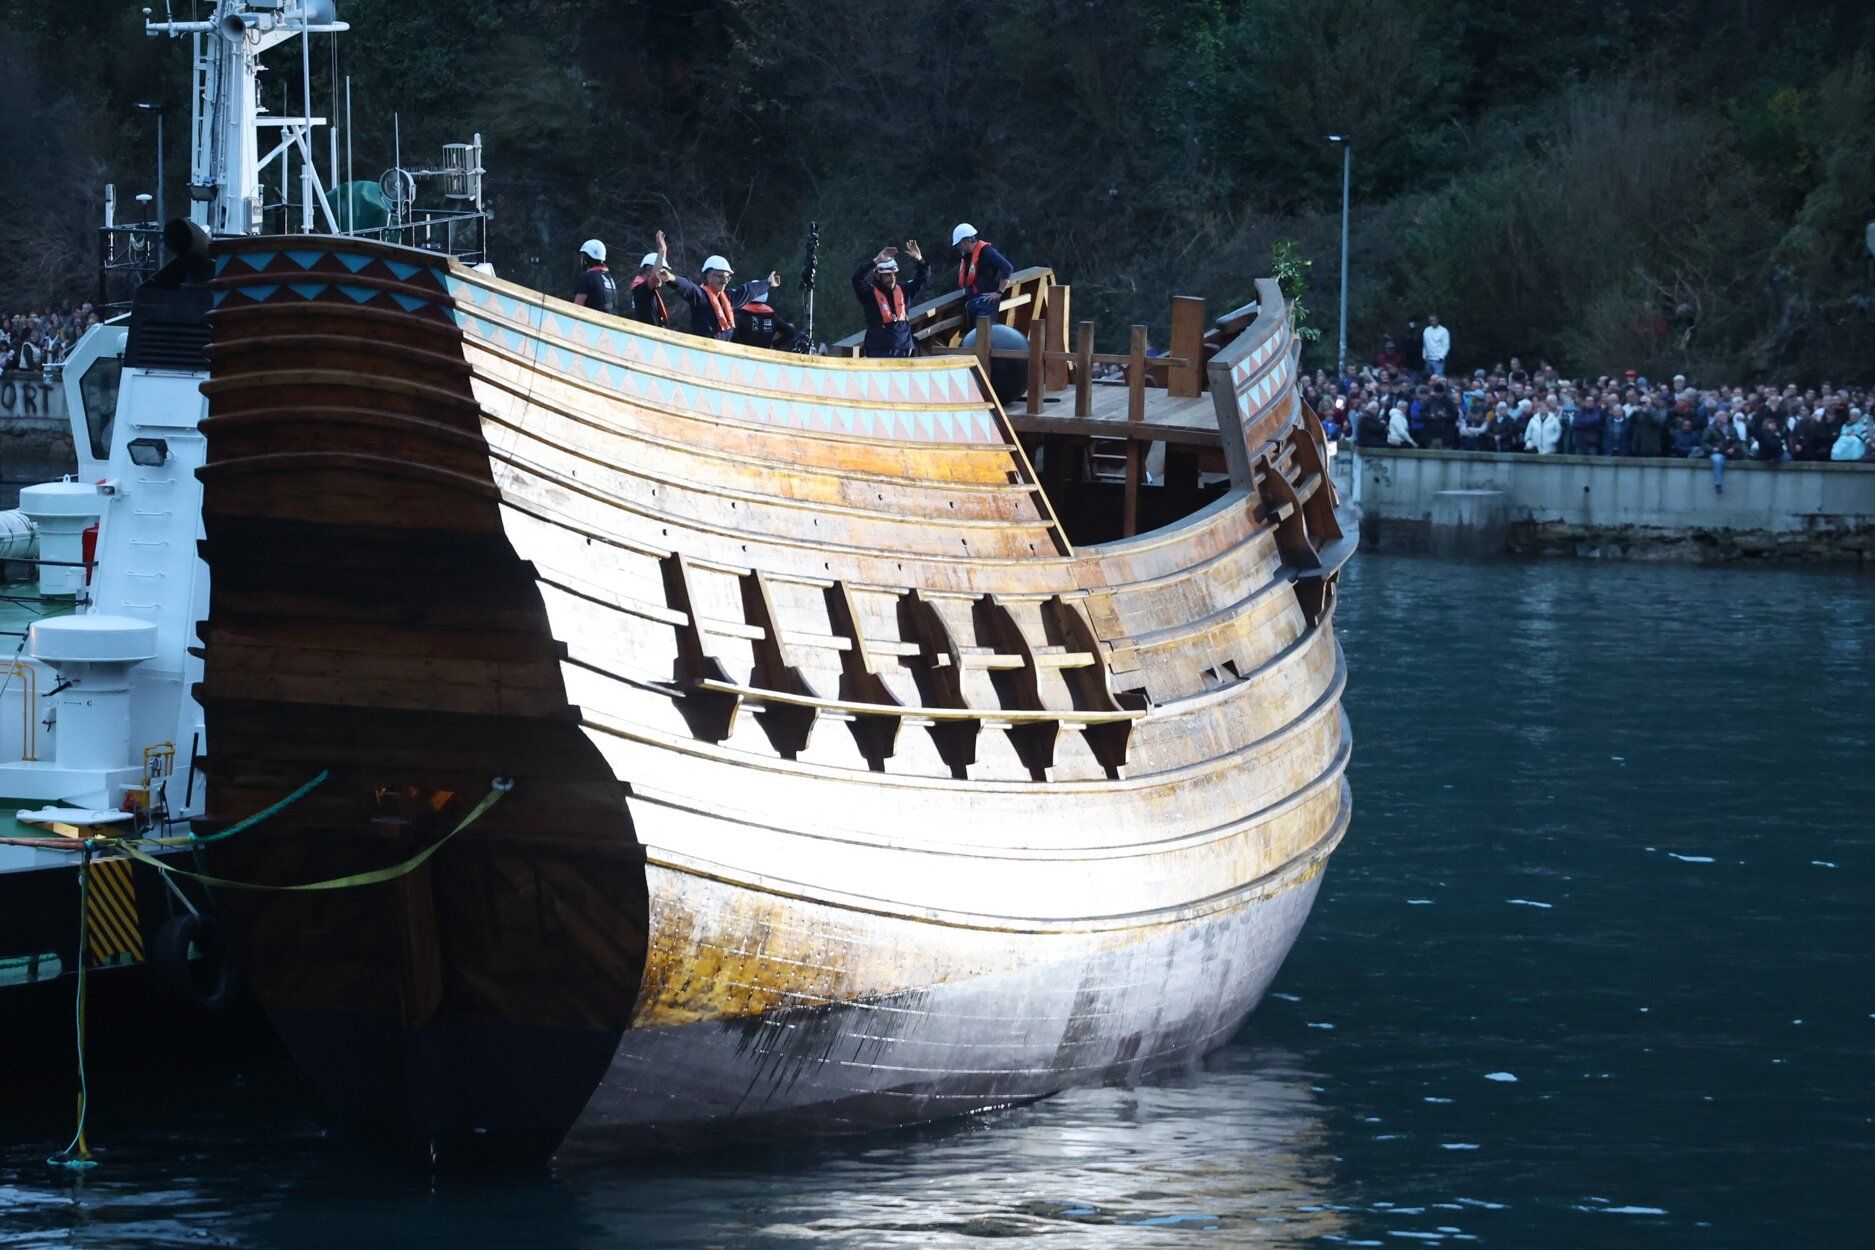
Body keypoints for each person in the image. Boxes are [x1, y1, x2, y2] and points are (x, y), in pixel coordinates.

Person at [852, 240, 929, 358]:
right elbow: (856, 279)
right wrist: (875, 262)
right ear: (878, 276)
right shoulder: (869, 294)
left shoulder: (904, 291)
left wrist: (919, 260)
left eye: (894, 274)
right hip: (879, 351)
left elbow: (923, 278)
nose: (892, 278)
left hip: (904, 349)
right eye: (887, 274)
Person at [951, 223, 1013, 324]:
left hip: (986, 304)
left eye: (959, 244)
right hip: (972, 304)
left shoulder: (988, 252)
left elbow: (1007, 268)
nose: (958, 247)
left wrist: (999, 292)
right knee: (973, 337)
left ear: (967, 241)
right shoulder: (967, 257)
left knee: (985, 336)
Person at [630, 232, 680, 329]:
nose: (662, 274)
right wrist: (661, 250)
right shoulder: (641, 289)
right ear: (648, 270)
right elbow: (656, 275)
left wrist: (664, 250)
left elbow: (657, 272)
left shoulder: (647, 287)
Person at [572, 239, 616, 314]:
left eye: (582, 255)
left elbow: (576, 308)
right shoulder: (610, 278)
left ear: (586, 258)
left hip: (591, 323)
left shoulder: (587, 277)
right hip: (609, 323)